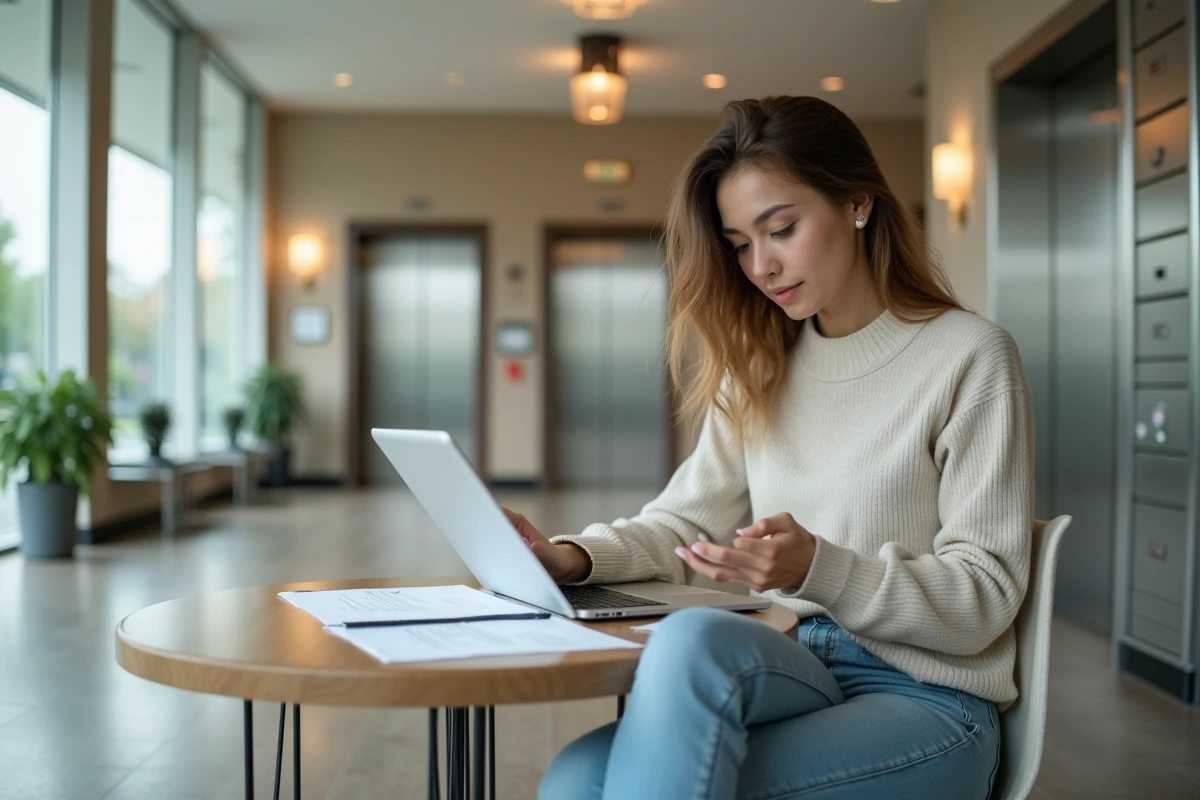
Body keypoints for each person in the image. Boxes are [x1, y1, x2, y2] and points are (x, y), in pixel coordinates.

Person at [506, 95, 1032, 800]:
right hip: (798, 668)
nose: (761, 266)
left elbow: (986, 597)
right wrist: (573, 558)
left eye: (780, 229)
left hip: (929, 700)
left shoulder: (970, 357)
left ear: (857, 204)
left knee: (623, 763)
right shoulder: (761, 368)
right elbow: (683, 525)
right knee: (577, 773)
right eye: (739, 243)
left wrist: (820, 566)